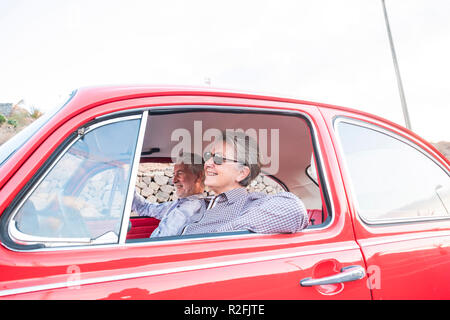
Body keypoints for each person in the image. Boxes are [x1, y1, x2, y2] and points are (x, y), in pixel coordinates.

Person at [182, 130, 308, 235]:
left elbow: (294, 210)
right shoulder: (201, 203)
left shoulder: (250, 204)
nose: (208, 163)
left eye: (218, 158)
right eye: (209, 155)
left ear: (241, 173)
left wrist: (218, 236)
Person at [132, 152, 206, 237]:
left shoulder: (199, 211)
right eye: (174, 174)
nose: (174, 180)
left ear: (199, 176)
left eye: (180, 173)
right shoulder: (176, 205)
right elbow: (144, 208)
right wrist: (127, 185)